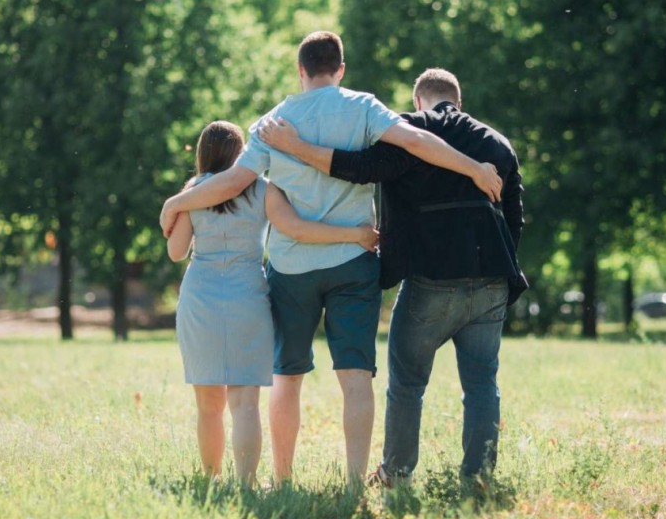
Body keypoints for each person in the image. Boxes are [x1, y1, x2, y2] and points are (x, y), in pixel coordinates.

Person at [159, 31, 501, 486]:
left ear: (300, 71)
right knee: (356, 376)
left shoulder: (272, 123)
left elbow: (231, 182)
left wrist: (175, 203)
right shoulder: (363, 107)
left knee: (287, 376)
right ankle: (356, 481)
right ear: (340, 68)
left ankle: (282, 480)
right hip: (354, 259)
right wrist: (474, 168)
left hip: (291, 268)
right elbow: (418, 141)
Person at [257, 68, 527, 487]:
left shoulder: (408, 130)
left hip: (430, 277)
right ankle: (479, 478)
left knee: (406, 383)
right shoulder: (498, 143)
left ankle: (396, 475)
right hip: (491, 276)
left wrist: (295, 146)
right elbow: (515, 220)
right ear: (459, 101)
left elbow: (359, 167)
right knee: (481, 384)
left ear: (418, 101)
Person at [166, 120, 377, 487]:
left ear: (202, 154)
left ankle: (212, 479)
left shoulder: (192, 194)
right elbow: (296, 229)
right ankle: (247, 485)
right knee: (245, 403)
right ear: (240, 153)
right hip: (248, 295)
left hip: (201, 298)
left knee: (208, 405)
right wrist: (354, 235)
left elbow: (175, 252)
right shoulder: (263, 189)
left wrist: (174, 213)